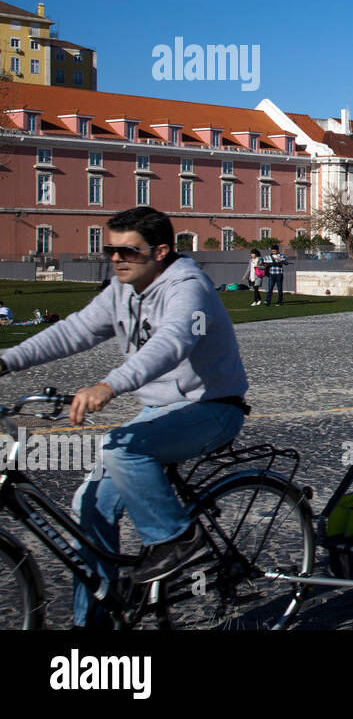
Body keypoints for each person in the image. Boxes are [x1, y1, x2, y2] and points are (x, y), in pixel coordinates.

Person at [0, 206, 249, 627]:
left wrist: (111, 384)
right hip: (159, 410)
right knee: (89, 504)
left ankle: (174, 538)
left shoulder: (188, 287)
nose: (115, 259)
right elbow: (73, 330)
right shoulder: (122, 288)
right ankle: (93, 622)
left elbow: (172, 341)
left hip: (211, 408)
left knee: (120, 449)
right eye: (110, 250)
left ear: (160, 252)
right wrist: (6, 361)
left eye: (127, 252)